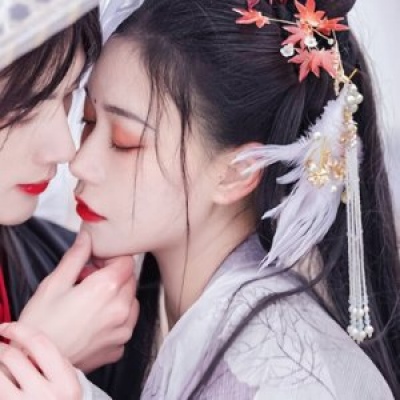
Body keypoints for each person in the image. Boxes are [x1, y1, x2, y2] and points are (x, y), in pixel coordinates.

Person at [4, 0, 400, 398]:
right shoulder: (105, 308)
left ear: (237, 171)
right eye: (88, 120)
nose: (77, 160)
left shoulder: (283, 377)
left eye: (124, 141)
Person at [0, 5, 139, 399]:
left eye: (66, 99)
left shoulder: (65, 276)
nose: (65, 149)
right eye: (21, 111)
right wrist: (36, 356)